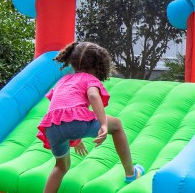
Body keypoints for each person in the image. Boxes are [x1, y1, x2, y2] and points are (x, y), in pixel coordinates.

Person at [36, 42, 144, 193]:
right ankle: (131, 173)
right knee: (117, 125)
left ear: (72, 63)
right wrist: (104, 125)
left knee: (61, 167)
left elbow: (59, 107)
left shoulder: (63, 81)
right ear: (98, 65)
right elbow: (93, 95)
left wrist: (73, 136)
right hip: (74, 122)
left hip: (52, 127)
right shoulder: (89, 79)